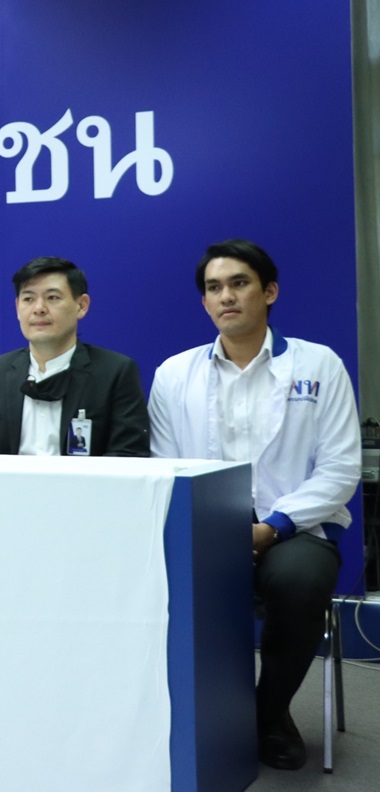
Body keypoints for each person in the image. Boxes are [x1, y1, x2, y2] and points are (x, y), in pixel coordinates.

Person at [149, 239, 360, 771]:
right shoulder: (175, 374)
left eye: (239, 283)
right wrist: (208, 529)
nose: (226, 296)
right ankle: (192, 716)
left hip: (296, 526)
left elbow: (340, 468)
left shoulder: (319, 364)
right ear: (204, 302)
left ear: (269, 292)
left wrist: (275, 526)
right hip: (206, 524)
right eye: (214, 288)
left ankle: (269, 714)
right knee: (161, 579)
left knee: (298, 581)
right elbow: (165, 466)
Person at [0, 256, 149, 457]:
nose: (39, 309)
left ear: (81, 305)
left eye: (53, 298)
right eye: (29, 299)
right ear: (17, 308)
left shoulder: (114, 373)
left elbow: (128, 456)